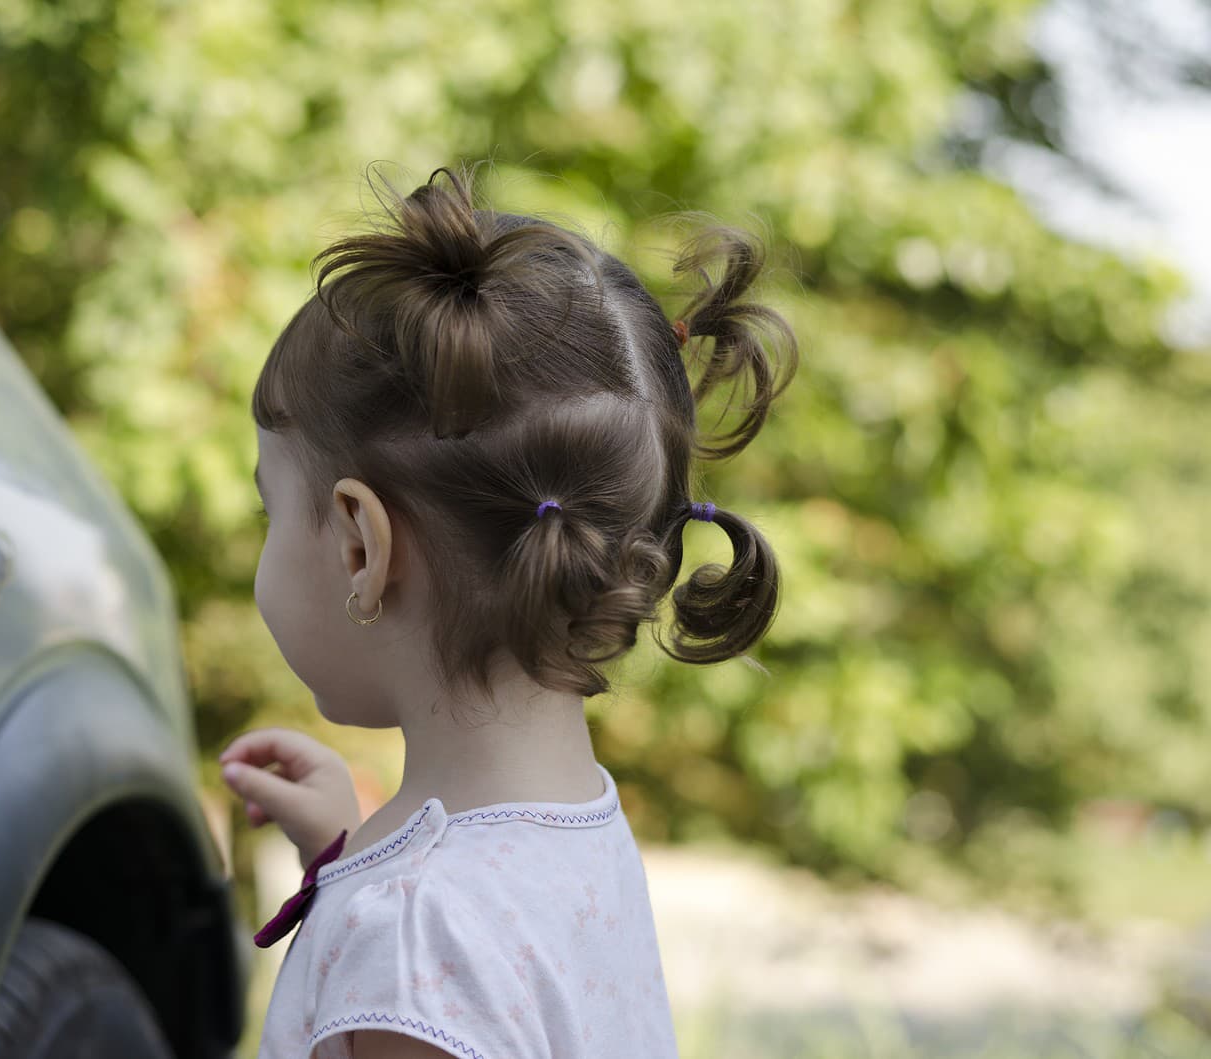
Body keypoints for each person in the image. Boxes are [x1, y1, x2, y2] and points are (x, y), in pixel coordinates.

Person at [218, 162, 798, 1058]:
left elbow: (434, 966)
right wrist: (350, 855)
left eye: (270, 510)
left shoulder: (410, 943)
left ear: (361, 547)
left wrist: (378, 902)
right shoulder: (576, 827)